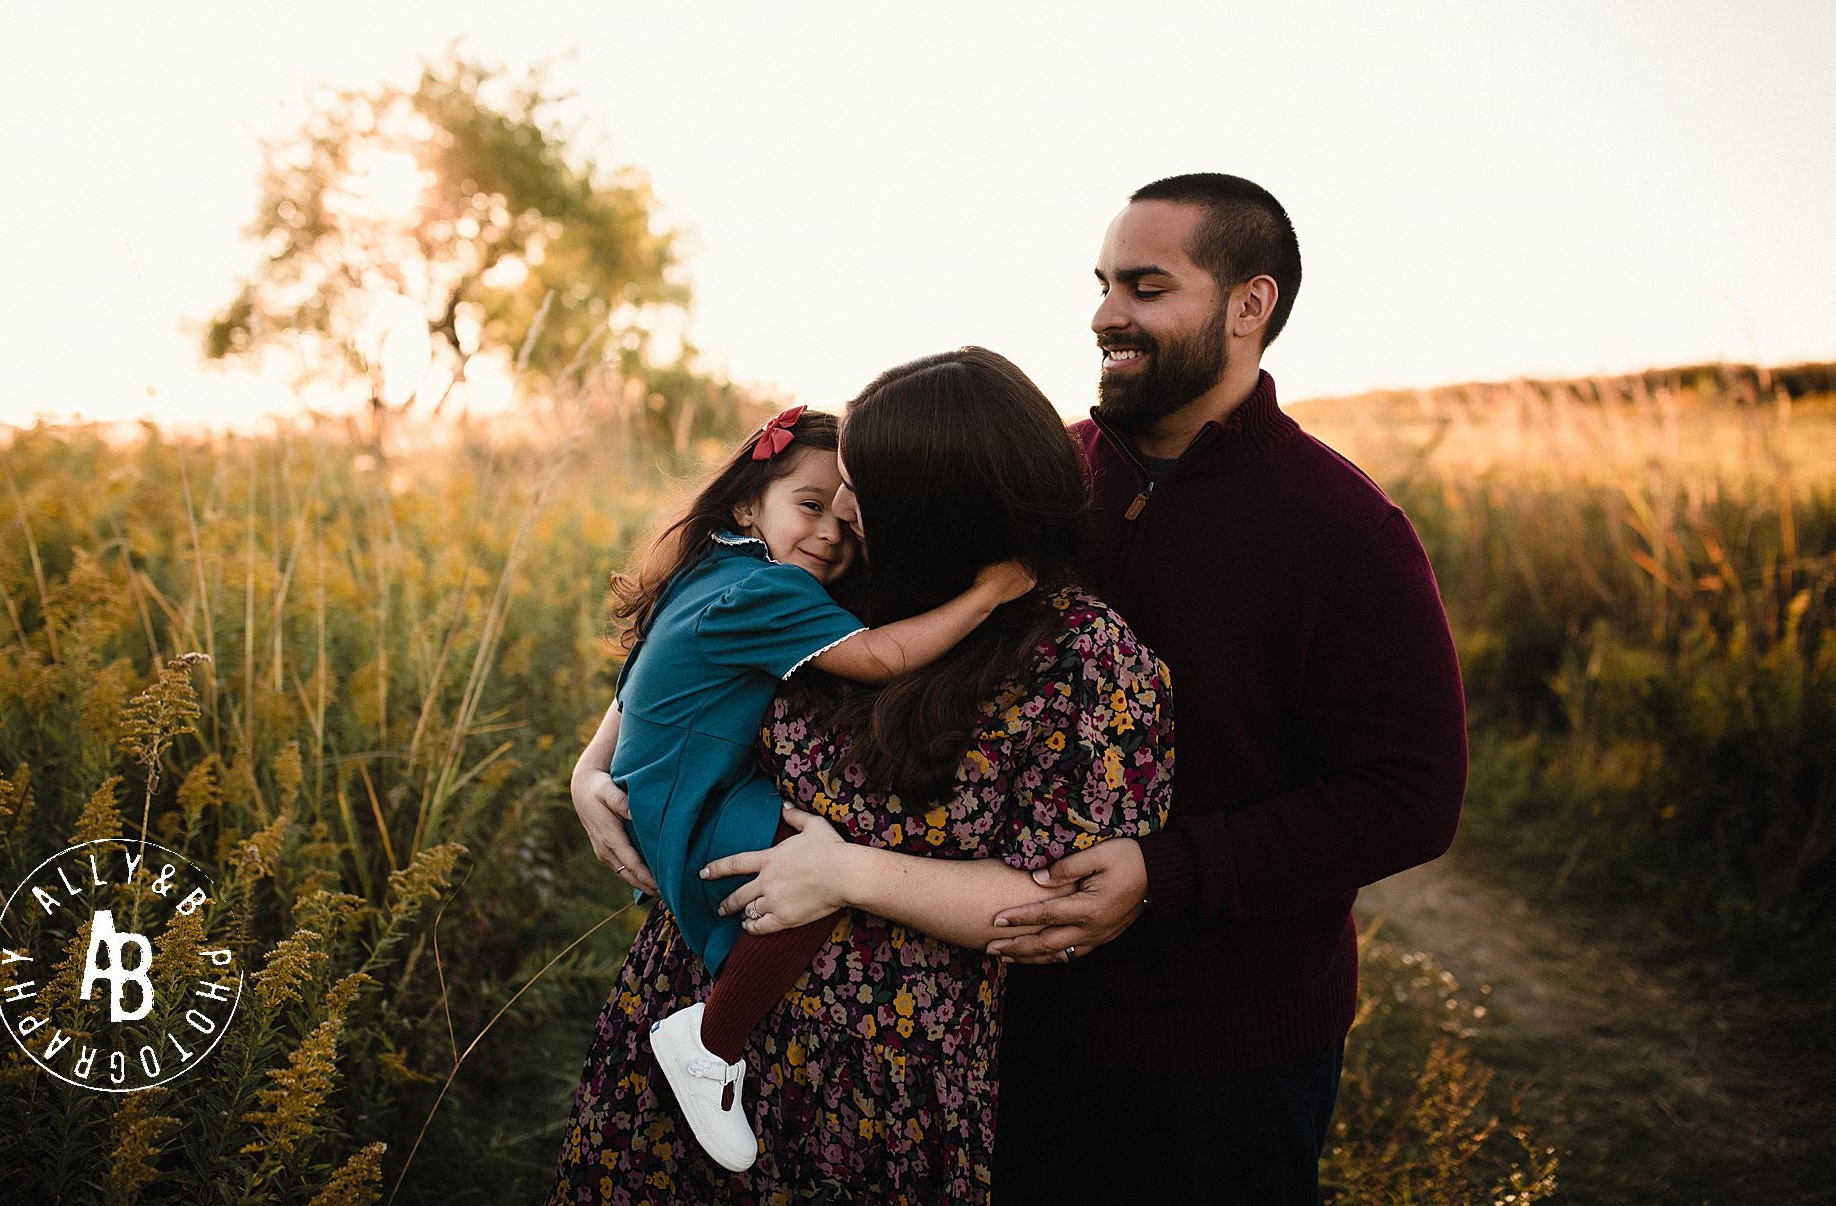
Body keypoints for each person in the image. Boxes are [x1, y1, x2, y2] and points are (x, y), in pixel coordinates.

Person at [554, 347, 1175, 1204]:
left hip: (878, 1075)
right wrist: (592, 767)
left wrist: (853, 873)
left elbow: (1062, 902)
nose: (840, 510)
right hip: (683, 1005)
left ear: (941, 506)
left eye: (861, 487)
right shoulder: (841, 578)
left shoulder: (1082, 660)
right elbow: (684, 656)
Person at [981, 173, 1472, 1203]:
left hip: (1226, 1062)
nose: (1104, 315)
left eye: (1145, 288)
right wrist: (615, 743)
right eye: (1104, 284)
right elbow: (840, 620)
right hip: (1012, 1020)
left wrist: (1163, 873)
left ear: (1249, 306)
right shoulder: (1038, 485)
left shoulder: (1343, 531)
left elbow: (1407, 795)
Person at [582, 404, 1034, 1171]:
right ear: (748, 501)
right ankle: (708, 1042)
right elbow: (885, 656)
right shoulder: (766, 592)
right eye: (810, 505)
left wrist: (588, 765)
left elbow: (638, 683)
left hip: (658, 778)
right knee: (799, 869)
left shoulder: (713, 565)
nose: (832, 531)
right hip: (692, 796)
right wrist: (988, 594)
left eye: (848, 519)